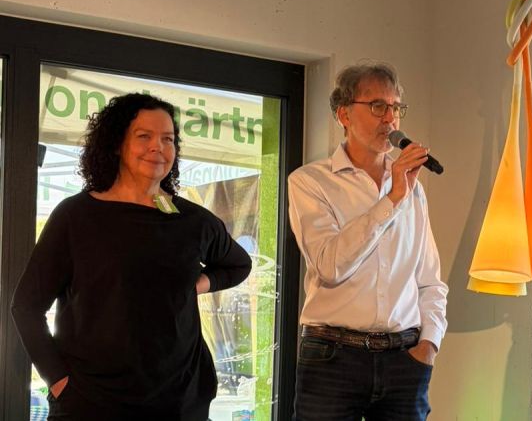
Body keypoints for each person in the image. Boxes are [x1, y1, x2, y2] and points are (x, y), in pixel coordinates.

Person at [12, 93, 252, 420]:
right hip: (91, 404)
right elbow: (26, 306)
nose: (158, 147)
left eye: (168, 139)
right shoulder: (76, 216)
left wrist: (200, 283)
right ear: (116, 144)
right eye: (144, 136)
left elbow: (239, 264)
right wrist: (57, 380)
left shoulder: (193, 220)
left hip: (179, 403)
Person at [288, 62, 448, 420]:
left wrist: (429, 345)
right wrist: (391, 199)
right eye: (377, 106)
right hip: (332, 356)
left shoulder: (413, 189)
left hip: (404, 357)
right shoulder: (310, 182)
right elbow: (330, 267)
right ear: (344, 114)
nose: (390, 118)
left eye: (396, 107)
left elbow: (429, 280)